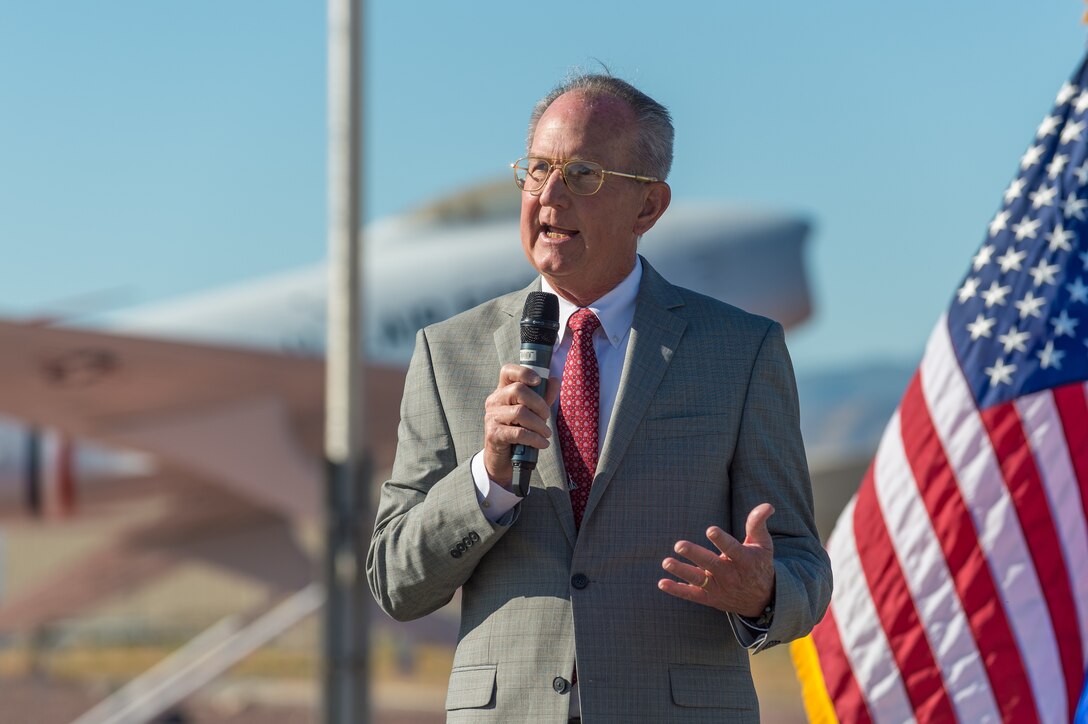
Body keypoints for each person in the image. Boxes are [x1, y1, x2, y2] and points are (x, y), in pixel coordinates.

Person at [367, 74, 832, 723]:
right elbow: (394, 580)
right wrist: (486, 480)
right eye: (536, 170)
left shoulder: (739, 351)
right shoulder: (448, 352)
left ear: (648, 207)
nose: (549, 194)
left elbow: (803, 564)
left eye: (582, 174)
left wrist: (764, 592)